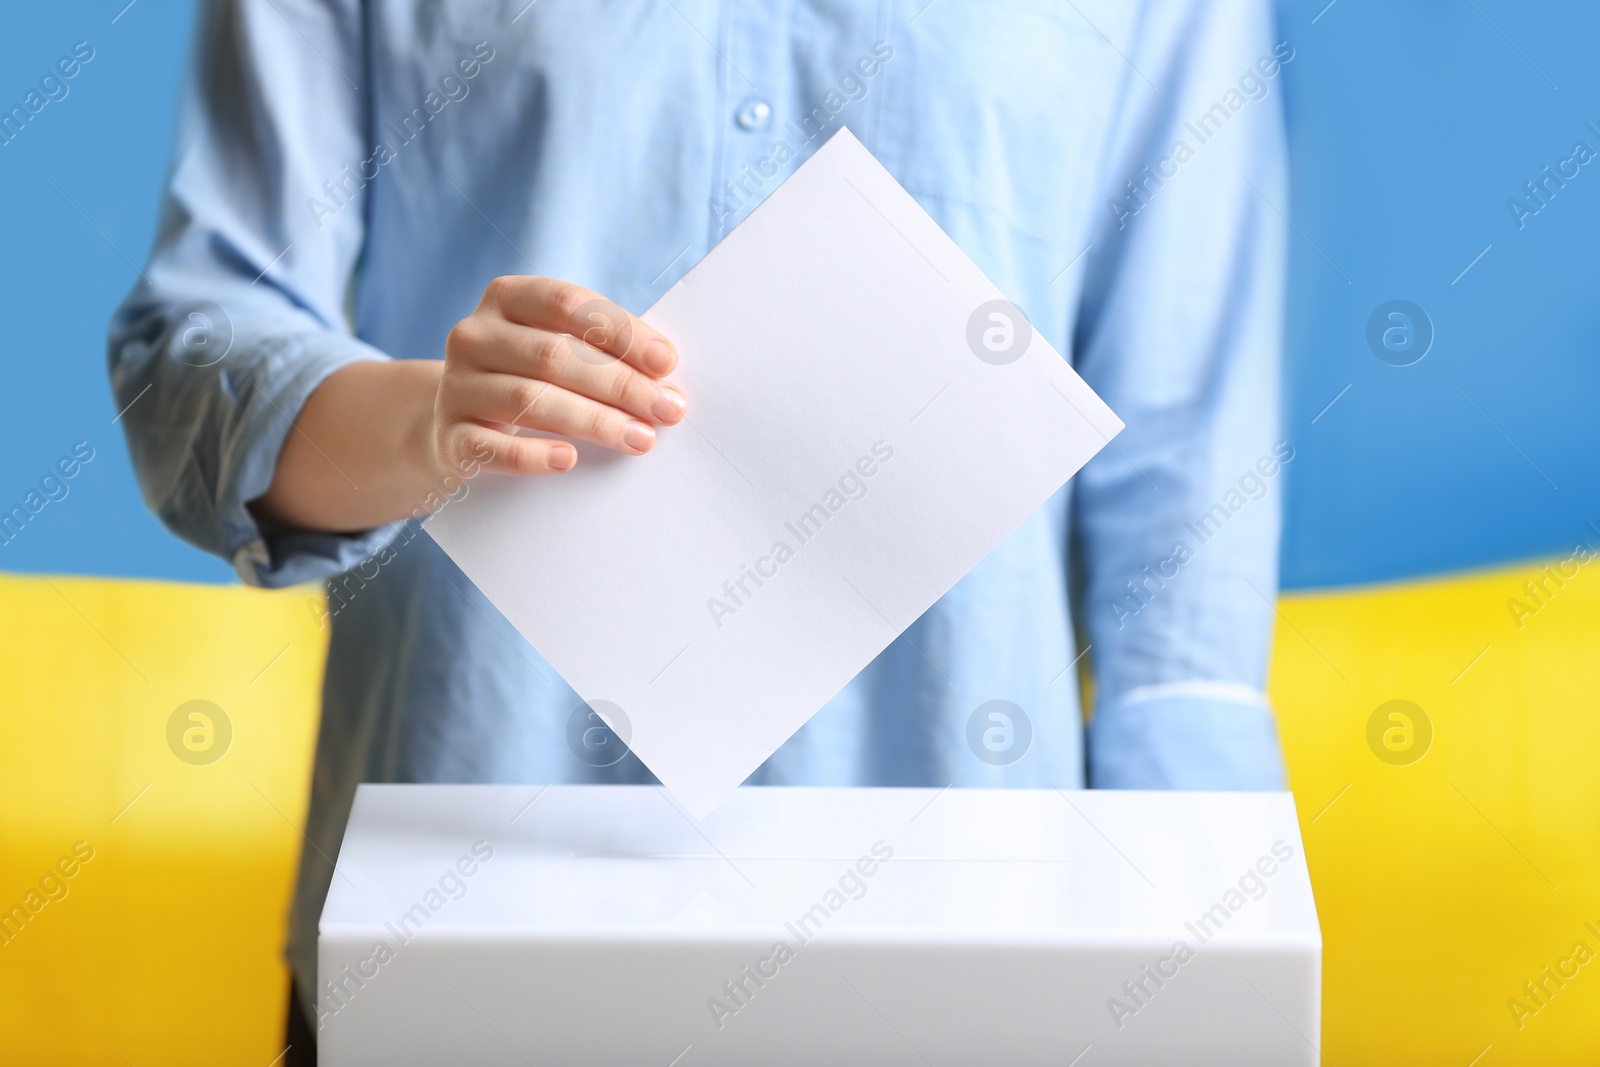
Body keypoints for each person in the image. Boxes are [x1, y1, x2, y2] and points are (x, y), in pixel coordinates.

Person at [109, 0, 1289, 1054]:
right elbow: (196, 338)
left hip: (968, 941)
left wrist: (1219, 951)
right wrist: (421, 419)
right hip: (457, 926)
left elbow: (1187, 469)